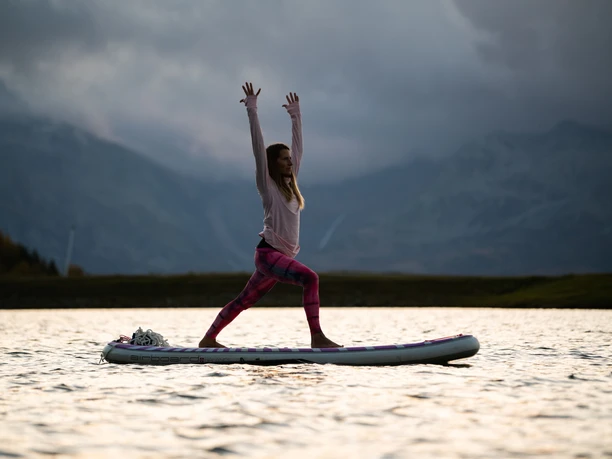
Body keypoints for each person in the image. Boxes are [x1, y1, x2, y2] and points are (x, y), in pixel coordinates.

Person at [199, 82, 341, 349]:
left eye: (290, 159)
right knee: (311, 278)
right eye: (284, 158)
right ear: (273, 163)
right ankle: (317, 338)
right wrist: (252, 109)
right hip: (269, 255)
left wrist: (296, 115)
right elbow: (258, 146)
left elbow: (299, 149)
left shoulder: (291, 185)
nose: (289, 161)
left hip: (277, 258)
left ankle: (208, 340)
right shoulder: (268, 185)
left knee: (244, 301)